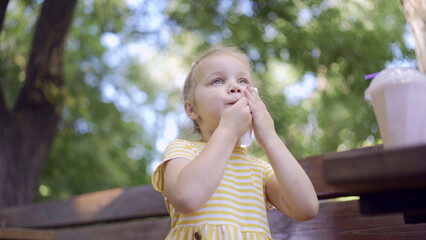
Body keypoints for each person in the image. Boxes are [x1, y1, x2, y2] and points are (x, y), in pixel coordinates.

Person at [152, 45, 319, 239]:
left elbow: (306, 208)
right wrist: (227, 131)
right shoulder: (183, 150)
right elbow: (187, 198)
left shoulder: (260, 170)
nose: (235, 86)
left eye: (243, 80)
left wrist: (270, 138)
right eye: (217, 81)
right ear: (192, 109)